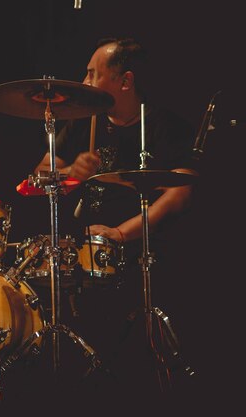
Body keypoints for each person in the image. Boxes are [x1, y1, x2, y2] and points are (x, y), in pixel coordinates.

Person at [32, 37, 200, 403]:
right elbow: (42, 173)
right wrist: (71, 170)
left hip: (151, 257)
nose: (85, 81)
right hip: (86, 254)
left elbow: (179, 194)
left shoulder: (165, 125)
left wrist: (119, 235)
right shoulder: (82, 122)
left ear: (125, 80)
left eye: (93, 74)